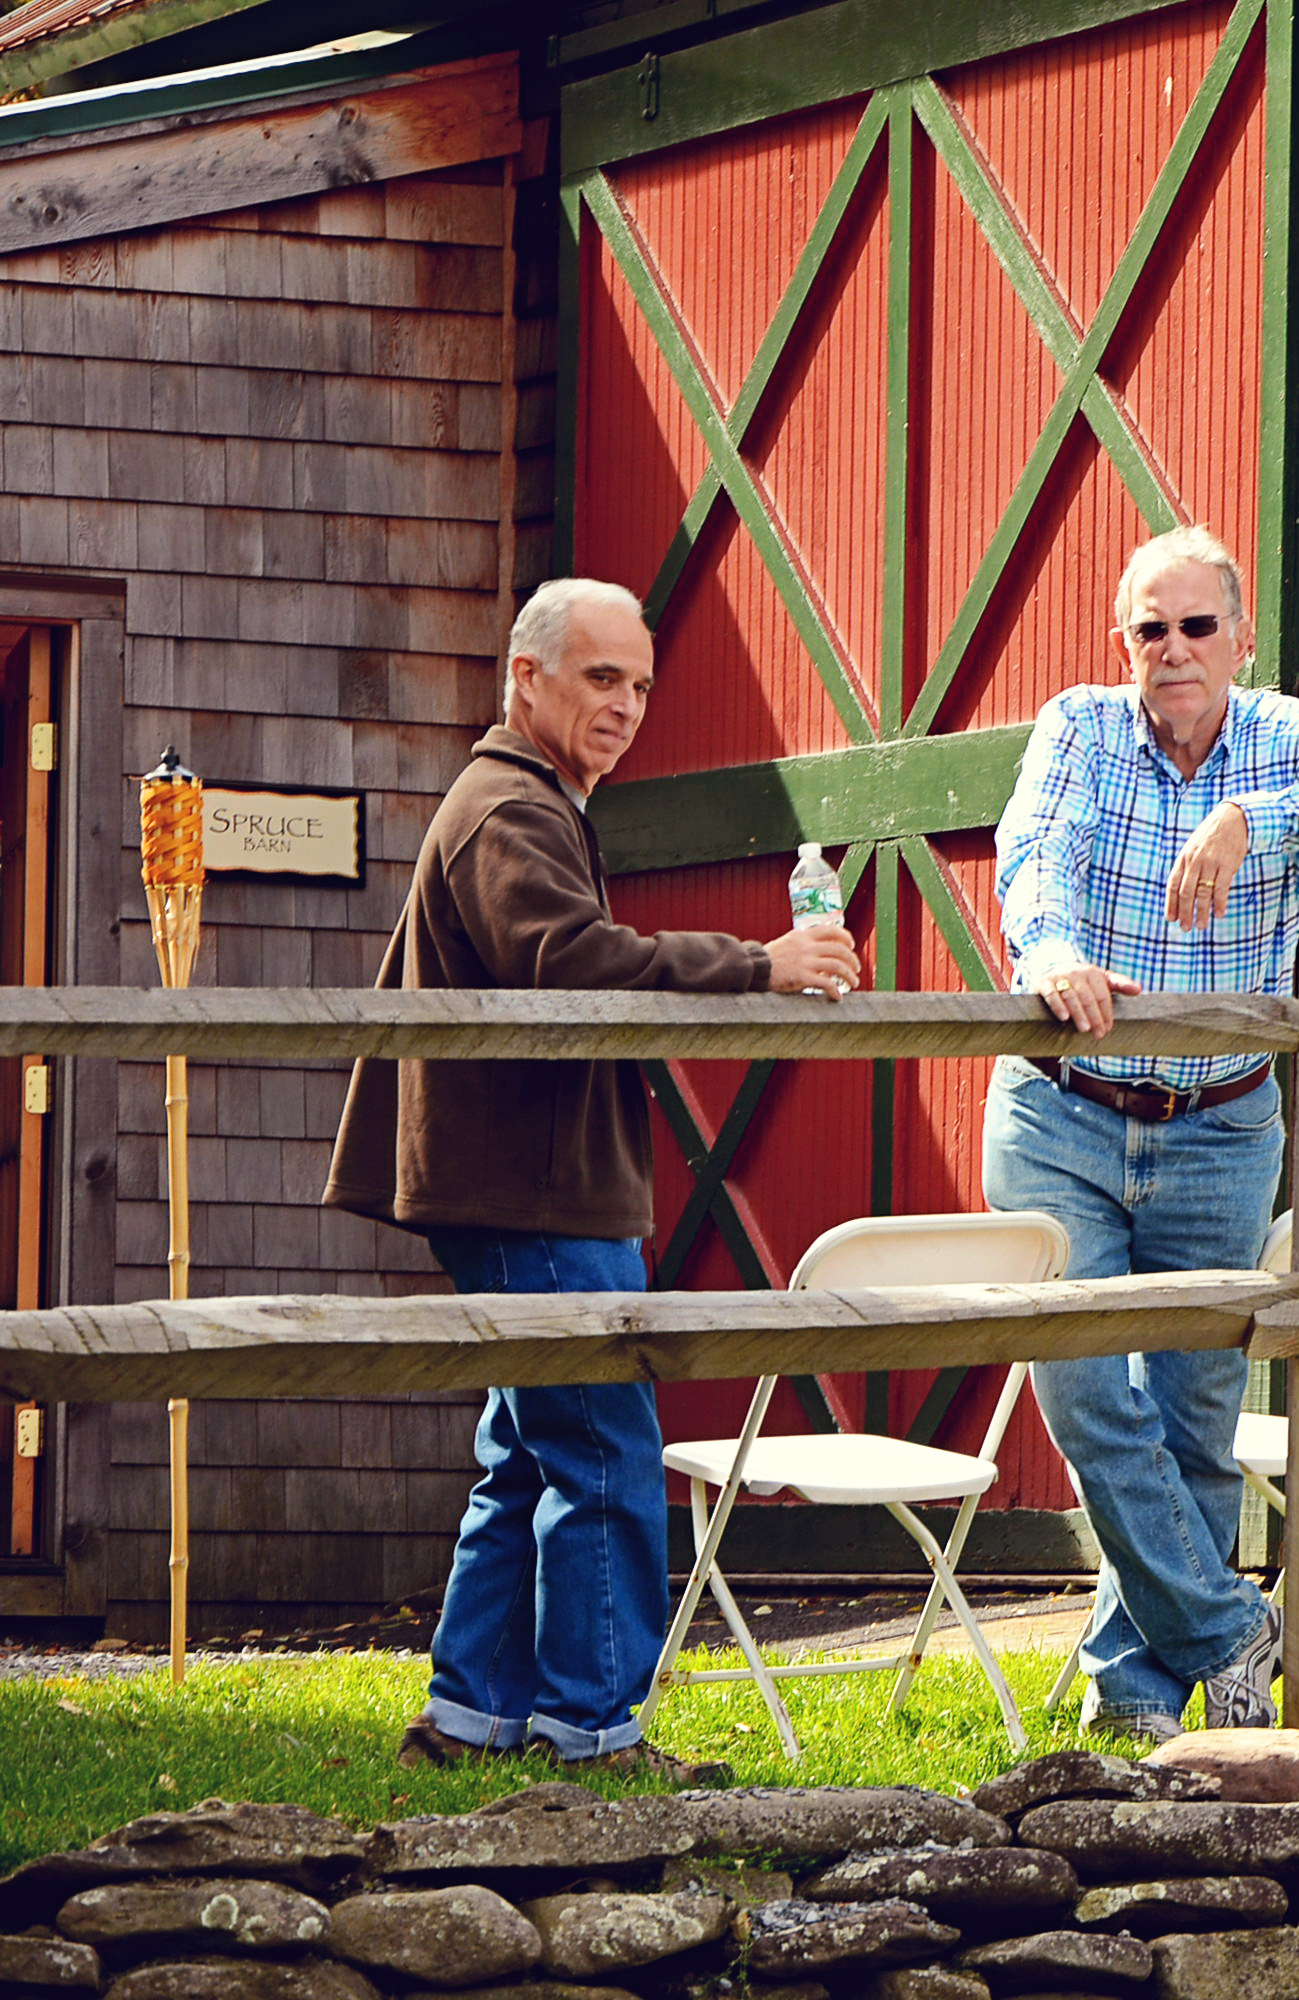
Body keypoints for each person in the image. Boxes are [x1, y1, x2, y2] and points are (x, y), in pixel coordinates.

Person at [324, 576, 862, 1781]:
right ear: (527, 678)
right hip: (532, 1189)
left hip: (522, 1180)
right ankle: (595, 1733)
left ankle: (469, 1716)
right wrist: (758, 964)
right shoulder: (508, 806)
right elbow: (564, 959)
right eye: (601, 677)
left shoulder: (530, 800)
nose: (625, 705)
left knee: (531, 1448)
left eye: (641, 685)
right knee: (606, 1449)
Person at [985, 524, 1299, 1742]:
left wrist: (1244, 818)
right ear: (1121, 640)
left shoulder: (1287, 735)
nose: (1172, 649)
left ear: (1240, 636)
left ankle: (1135, 1700)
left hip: (1221, 1126)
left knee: (1193, 1422)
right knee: (1082, 1391)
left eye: (1196, 626)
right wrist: (1050, 950)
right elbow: (1034, 850)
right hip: (1062, 1110)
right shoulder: (1080, 726)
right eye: (1149, 628)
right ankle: (1229, 1628)